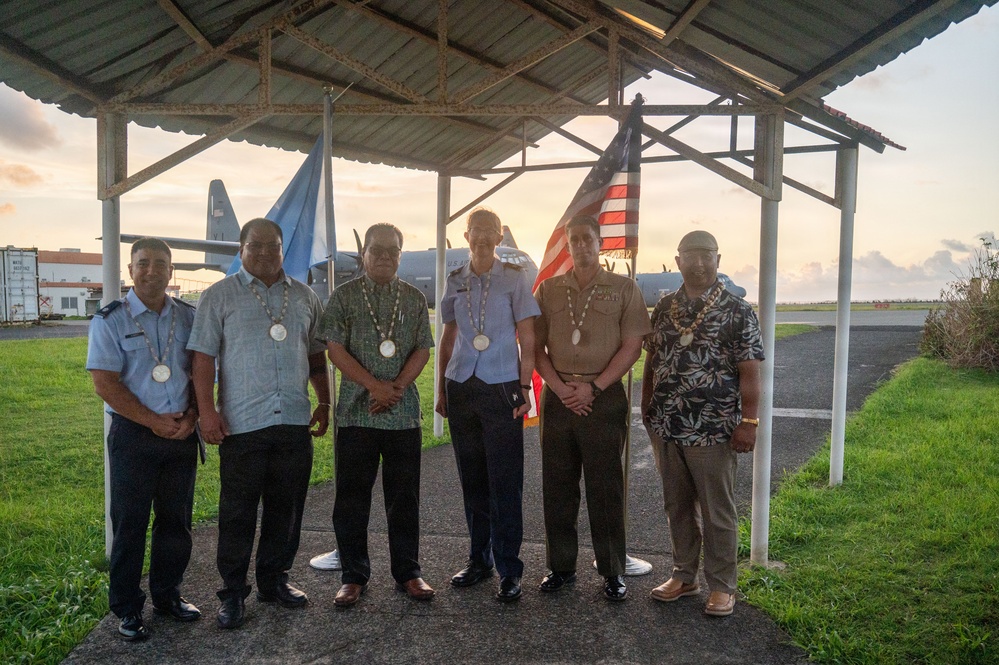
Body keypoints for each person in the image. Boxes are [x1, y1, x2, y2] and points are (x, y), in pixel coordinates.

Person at [187, 218, 330, 629]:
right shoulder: (218, 296)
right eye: (256, 245)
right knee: (238, 512)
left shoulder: (304, 296)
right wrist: (207, 413)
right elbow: (202, 359)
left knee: (286, 509)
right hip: (242, 423)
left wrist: (324, 401)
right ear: (241, 248)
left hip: (293, 420)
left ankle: (274, 580)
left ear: (283, 249)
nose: (266, 252)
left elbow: (316, 356)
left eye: (274, 246)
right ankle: (232, 592)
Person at [641, 229, 763, 617]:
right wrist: (645, 405)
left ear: (718, 259)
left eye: (706, 255)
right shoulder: (665, 308)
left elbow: (750, 371)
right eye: (690, 256)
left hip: (714, 427)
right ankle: (684, 576)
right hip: (667, 425)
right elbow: (652, 359)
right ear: (677, 261)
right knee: (677, 506)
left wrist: (749, 421)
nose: (698, 263)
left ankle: (723, 586)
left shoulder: (737, 310)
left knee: (717, 511)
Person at [86, 237, 201, 641]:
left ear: (171, 270)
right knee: (130, 524)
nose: (152, 270)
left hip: (182, 432)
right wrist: (153, 422)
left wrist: (192, 416)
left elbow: (201, 371)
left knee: (176, 522)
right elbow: (105, 383)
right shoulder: (110, 319)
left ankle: (168, 596)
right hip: (135, 434)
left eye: (160, 263)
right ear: (130, 269)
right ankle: (127, 608)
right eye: (143, 262)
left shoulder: (189, 316)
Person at [533, 215, 650, 601]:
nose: (582, 245)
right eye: (575, 240)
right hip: (559, 396)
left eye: (588, 239)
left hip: (603, 397)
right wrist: (560, 388)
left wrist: (593, 388)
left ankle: (612, 570)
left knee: (605, 487)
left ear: (600, 243)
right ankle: (561, 567)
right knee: (558, 486)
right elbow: (535, 346)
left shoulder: (623, 288)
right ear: (567, 245)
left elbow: (632, 345)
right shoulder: (548, 290)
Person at [319, 223, 435, 608]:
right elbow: (335, 349)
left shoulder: (414, 298)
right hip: (357, 414)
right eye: (376, 250)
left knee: (404, 498)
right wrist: (374, 386)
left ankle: (408, 572)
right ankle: (353, 576)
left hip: (402, 415)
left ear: (400, 255)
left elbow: (422, 349)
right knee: (351, 500)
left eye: (392, 251)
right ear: (364, 254)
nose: (384, 256)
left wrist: (395, 387)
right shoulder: (344, 296)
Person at [435, 208, 539, 603]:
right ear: (466, 236)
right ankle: (479, 560)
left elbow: (528, 335)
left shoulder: (515, 278)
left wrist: (524, 386)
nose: (481, 238)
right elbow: (448, 335)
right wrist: (442, 389)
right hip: (461, 385)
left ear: (499, 237)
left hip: (501, 386)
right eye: (475, 231)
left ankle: (509, 569)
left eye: (488, 232)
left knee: (505, 481)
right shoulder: (455, 279)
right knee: (473, 479)